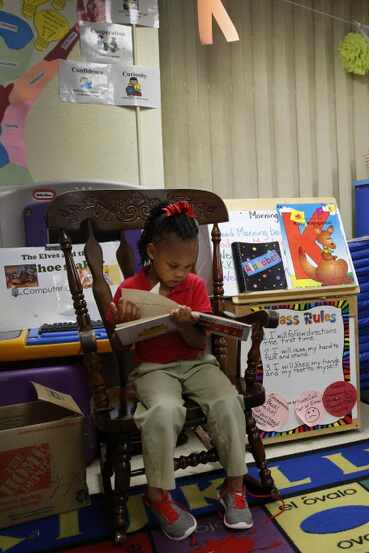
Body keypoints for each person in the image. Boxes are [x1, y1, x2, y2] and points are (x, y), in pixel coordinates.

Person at [109, 201, 251, 539]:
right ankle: (158, 495)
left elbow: (197, 344)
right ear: (152, 251)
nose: (181, 273)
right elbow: (120, 347)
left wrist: (187, 324)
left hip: (196, 362)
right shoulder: (130, 289)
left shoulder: (195, 286)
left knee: (228, 401)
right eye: (173, 264)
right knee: (162, 410)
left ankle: (234, 487)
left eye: (188, 265)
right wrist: (125, 322)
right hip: (153, 369)